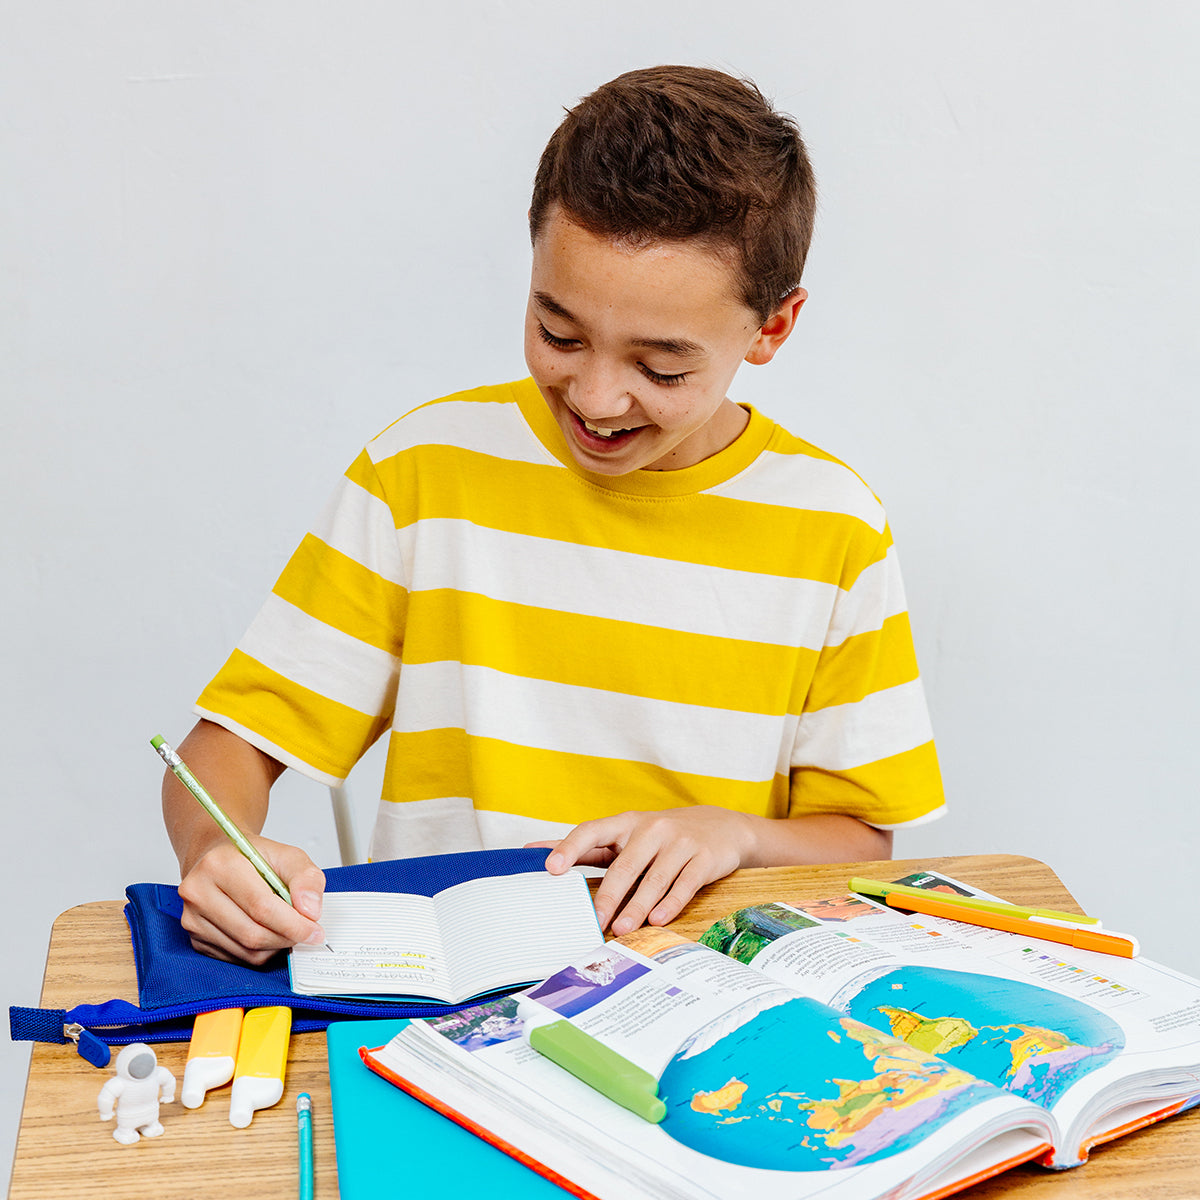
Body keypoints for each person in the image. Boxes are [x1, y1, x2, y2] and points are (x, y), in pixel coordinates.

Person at [163, 65, 945, 965]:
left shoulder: (834, 526)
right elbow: (216, 759)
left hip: (698, 991)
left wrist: (734, 833)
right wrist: (218, 847)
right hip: (446, 995)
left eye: (661, 367)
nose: (598, 397)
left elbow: (862, 844)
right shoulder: (422, 474)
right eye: (559, 334)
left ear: (771, 329)